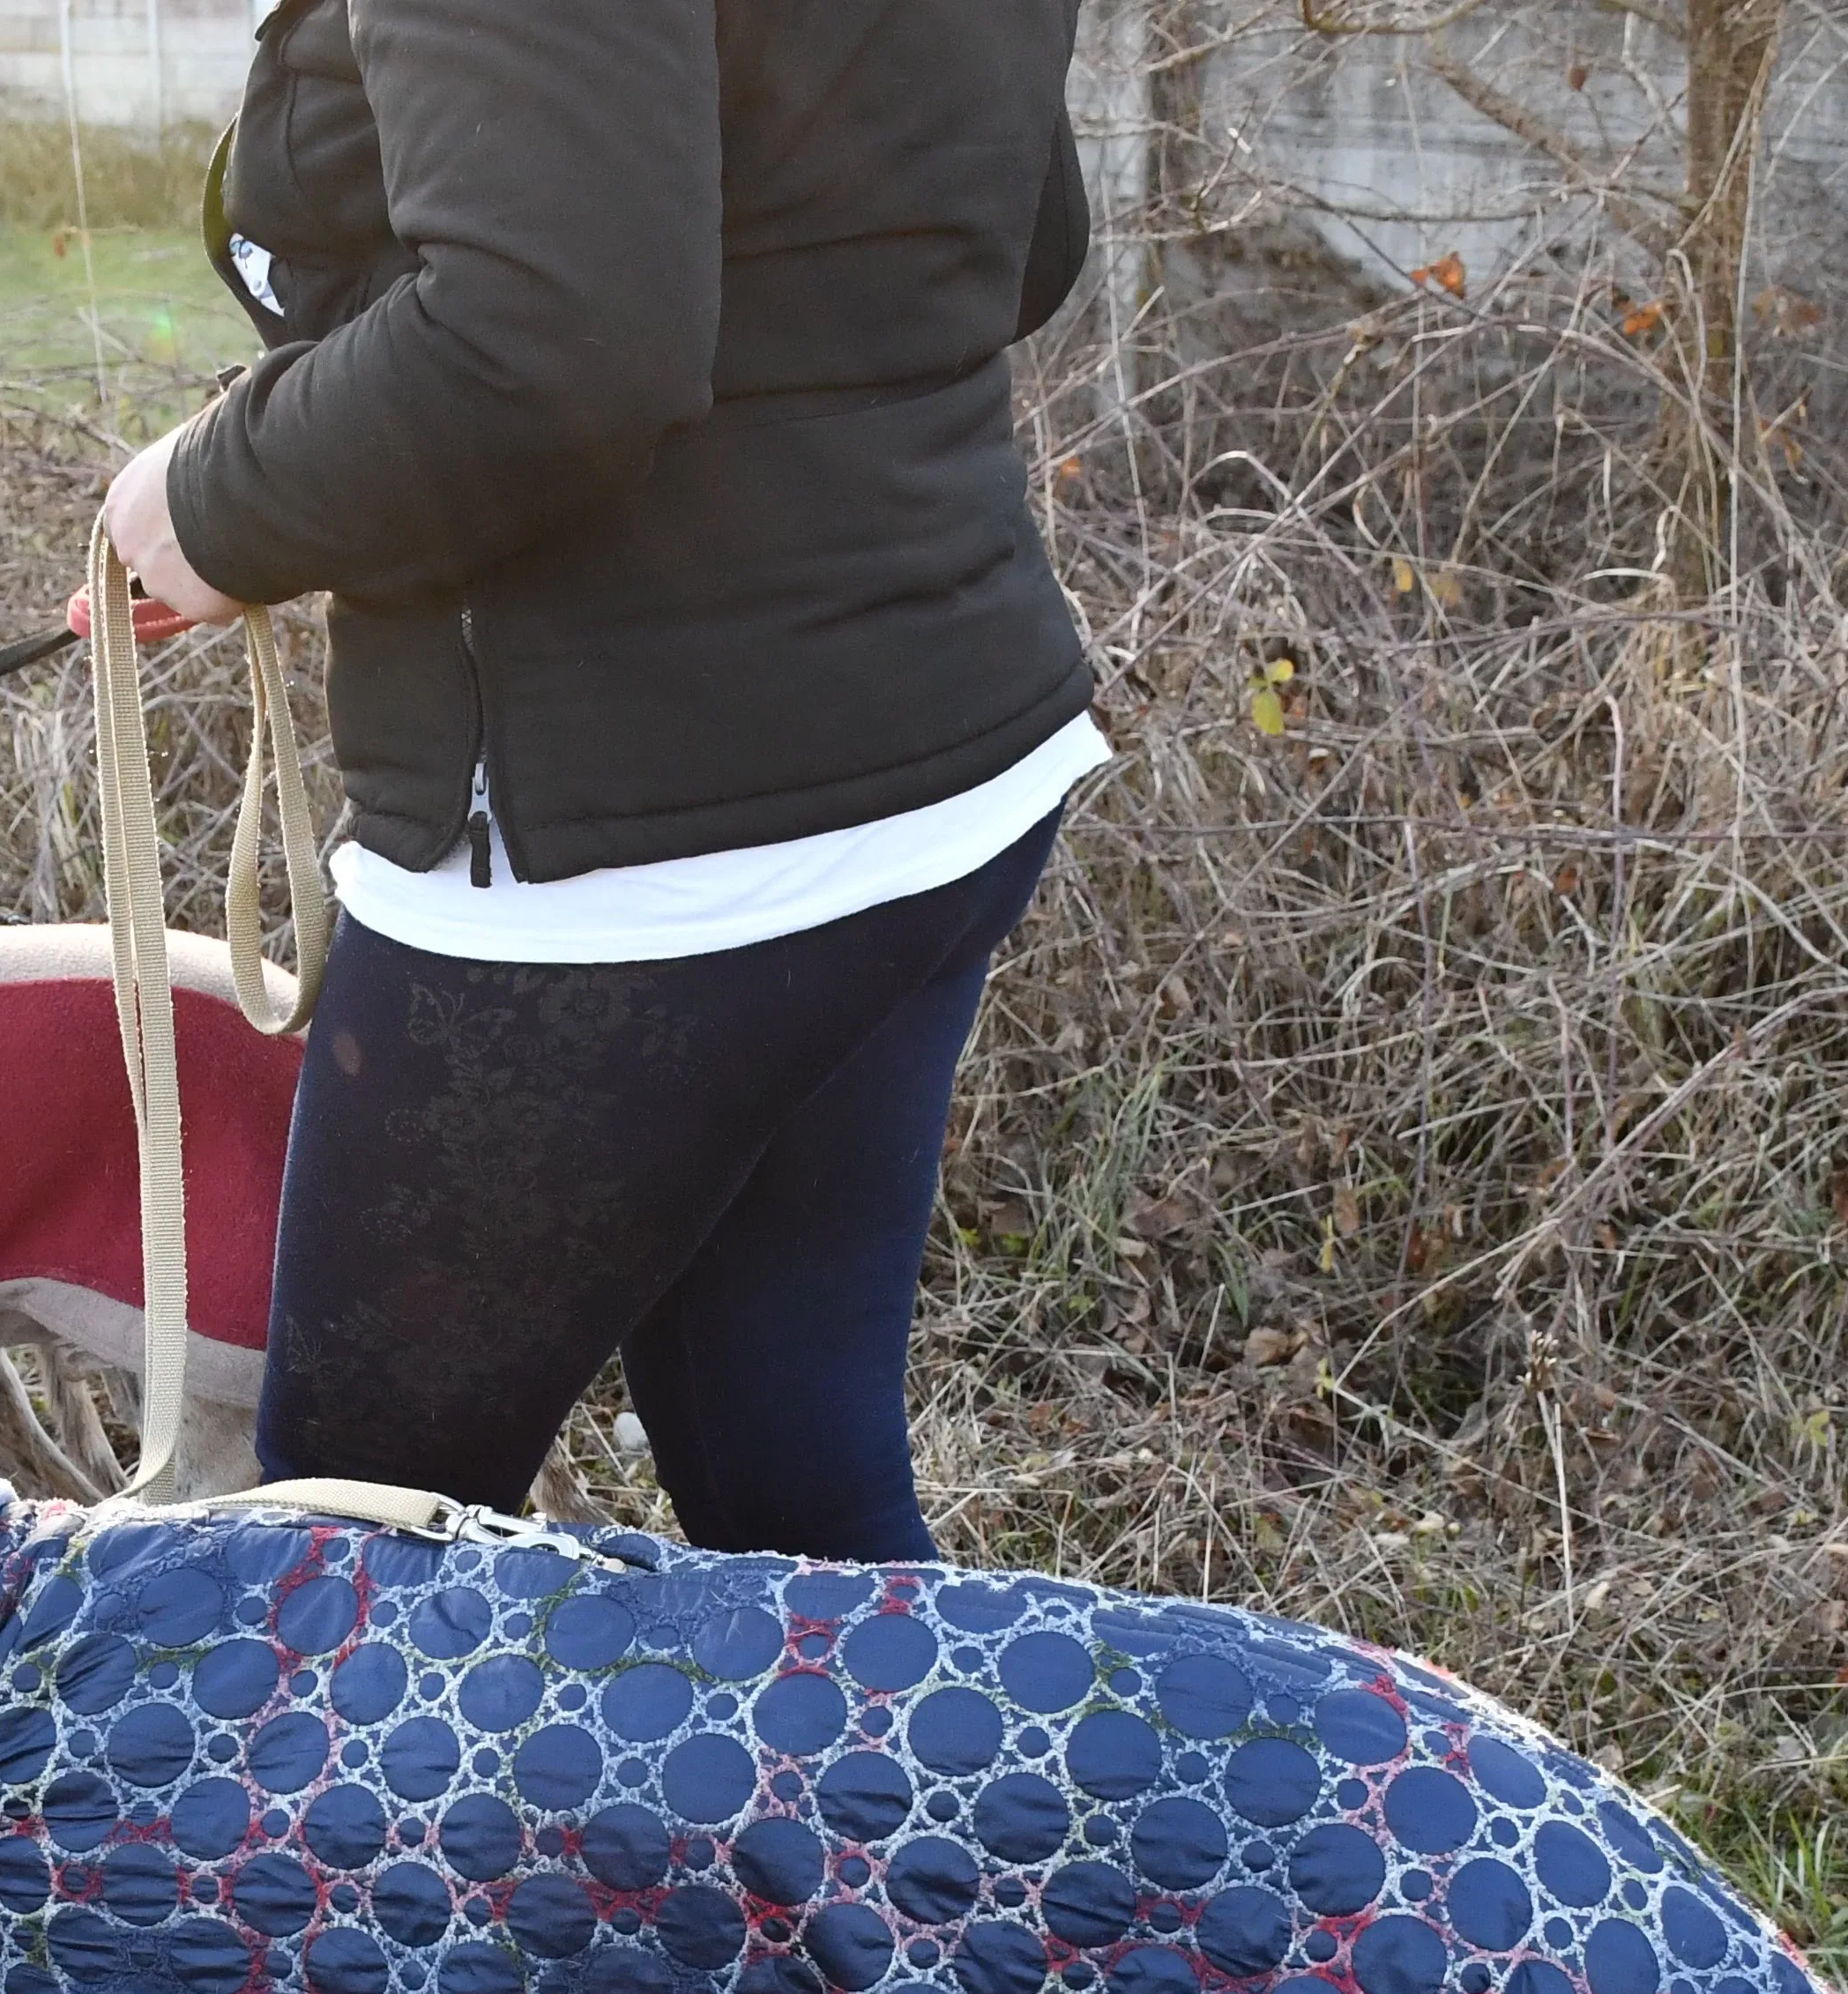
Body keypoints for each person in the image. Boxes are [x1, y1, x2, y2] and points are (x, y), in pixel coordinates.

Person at [95, 0, 1106, 1563]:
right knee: (799, 1507)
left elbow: (541, 351)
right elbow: (1014, 241)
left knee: (356, 1554)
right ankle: (954, 1809)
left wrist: (216, 501)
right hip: (934, 767)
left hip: (619, 876)